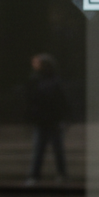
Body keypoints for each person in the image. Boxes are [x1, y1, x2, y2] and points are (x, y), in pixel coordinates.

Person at [25, 53, 69, 184]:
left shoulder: (49, 81)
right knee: (42, 150)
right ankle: (36, 176)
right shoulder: (37, 80)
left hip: (51, 120)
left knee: (51, 149)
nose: (35, 66)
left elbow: (61, 101)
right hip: (45, 120)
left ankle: (38, 176)